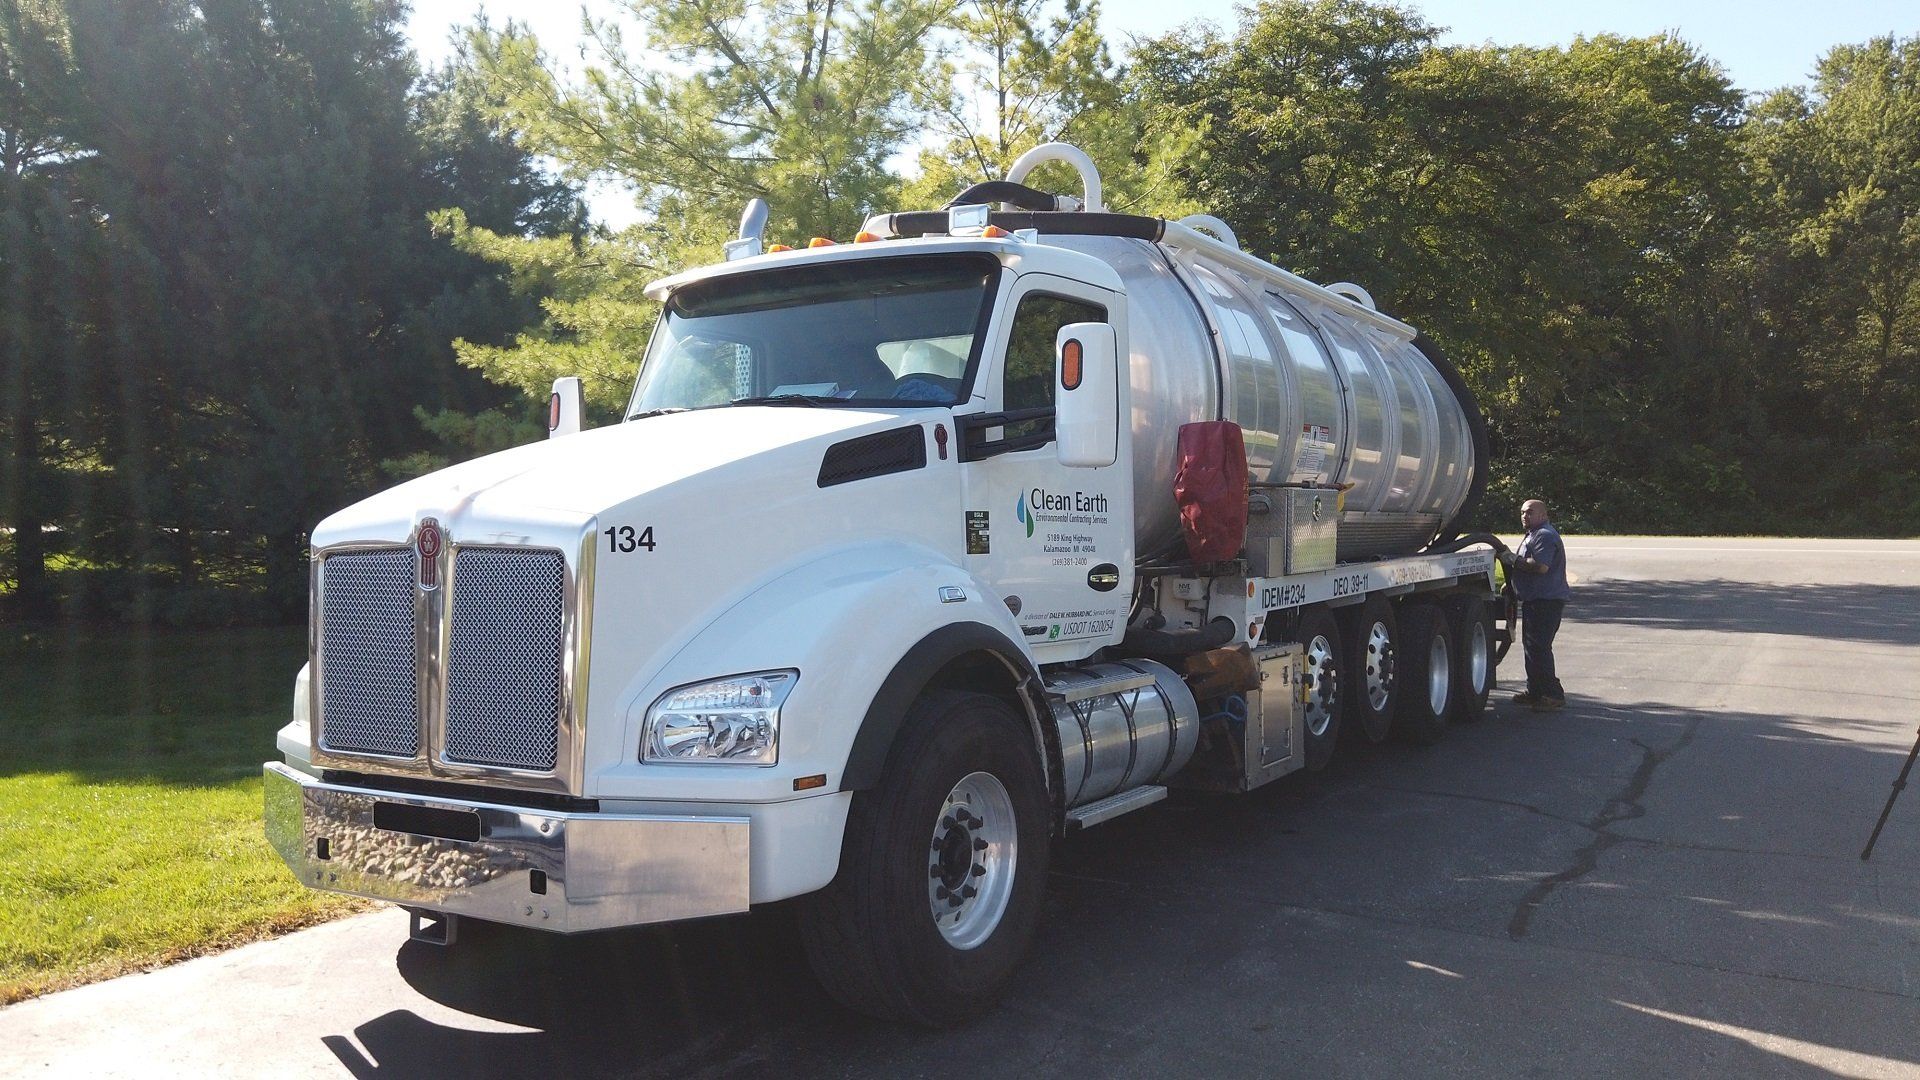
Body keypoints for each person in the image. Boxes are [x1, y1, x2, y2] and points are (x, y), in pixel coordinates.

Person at [1509, 498, 1571, 709]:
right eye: (1523, 513)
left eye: (1530, 512)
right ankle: (1535, 691)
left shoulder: (1544, 535)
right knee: (1532, 647)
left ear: (1543, 515)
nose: (1525, 516)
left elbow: (1541, 567)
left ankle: (1553, 694)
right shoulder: (1534, 534)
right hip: (1536, 600)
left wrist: (1513, 560)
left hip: (1546, 601)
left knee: (1540, 648)